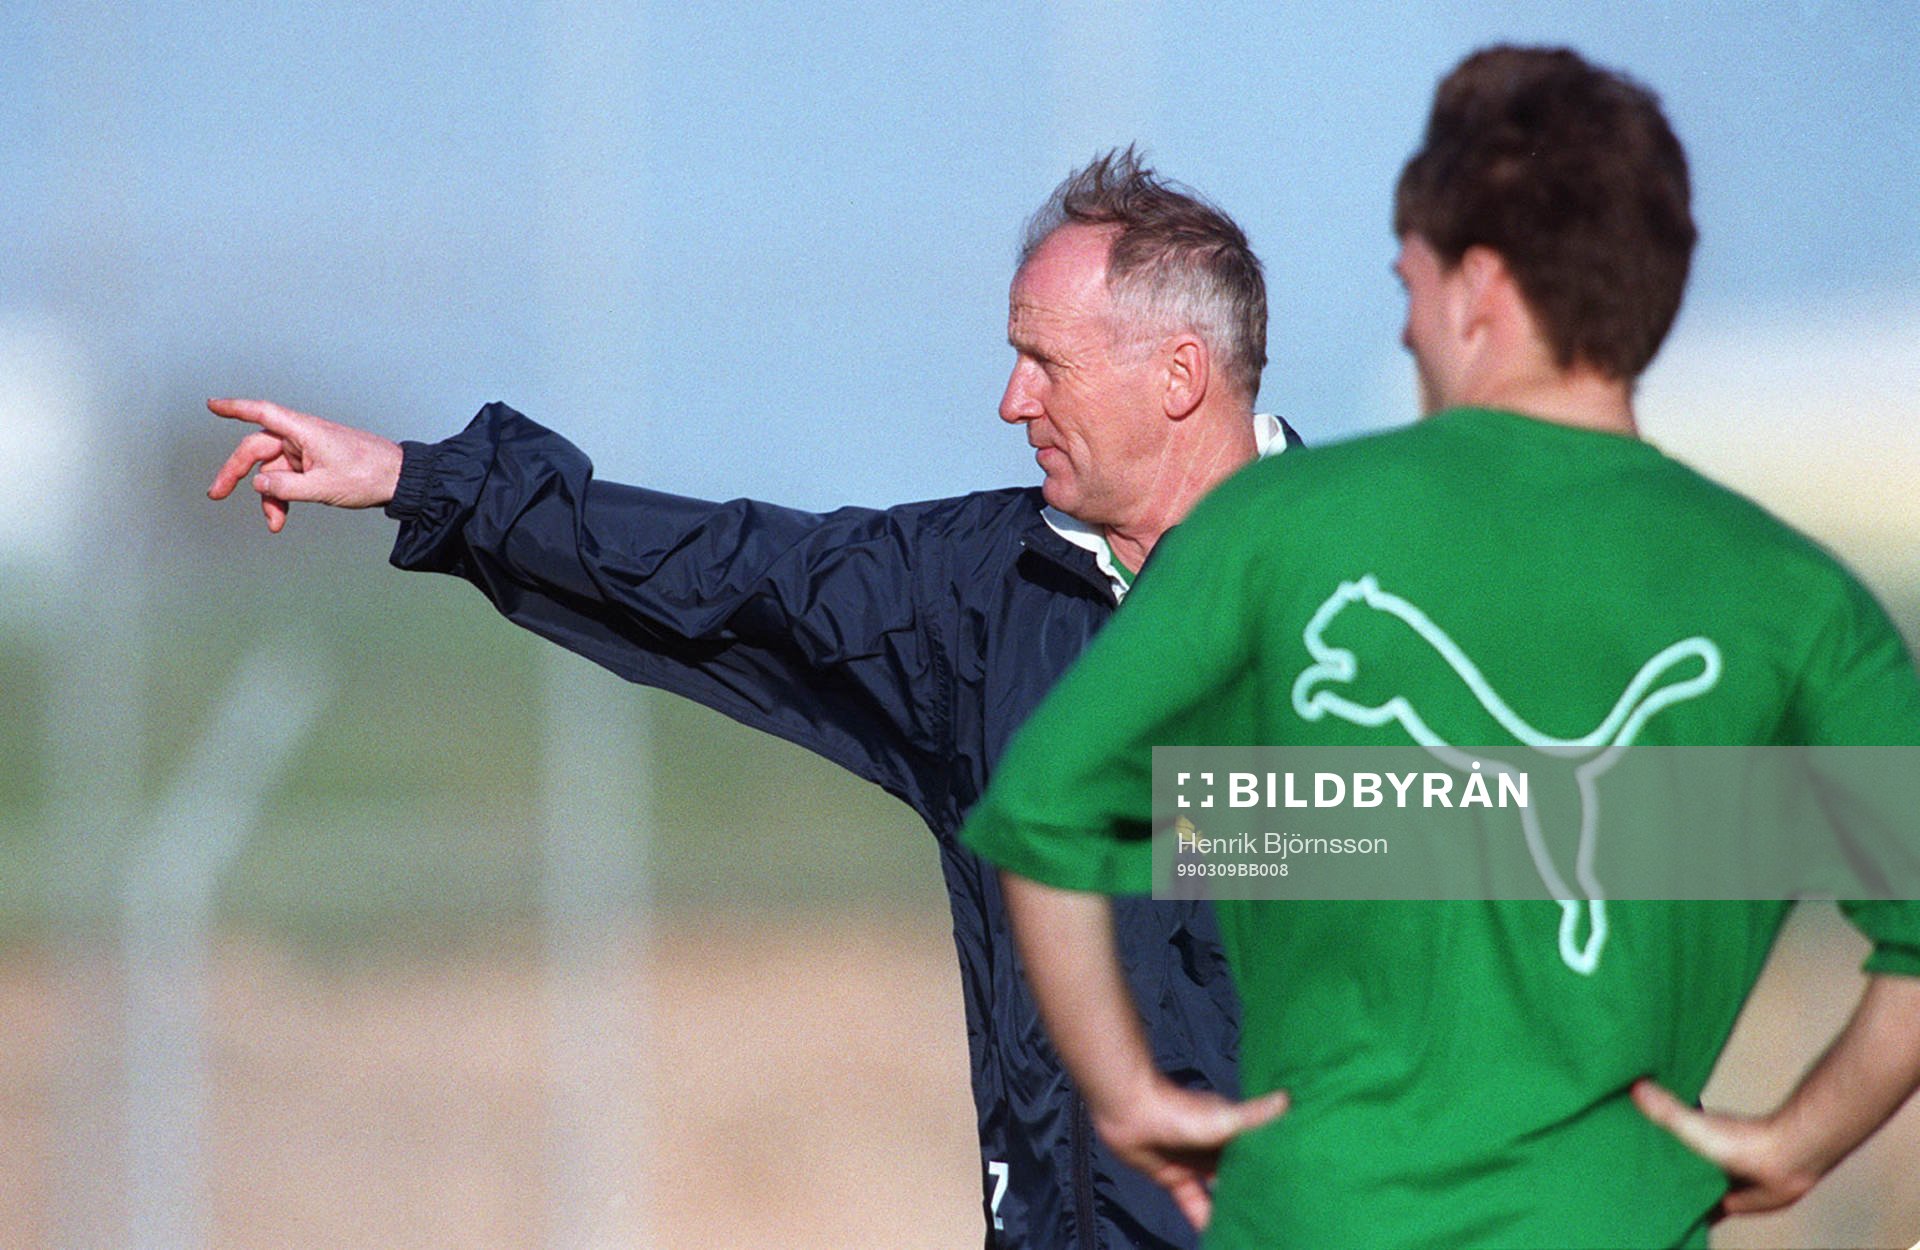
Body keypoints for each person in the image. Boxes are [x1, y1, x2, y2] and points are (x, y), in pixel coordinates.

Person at [207, 149, 1300, 1249]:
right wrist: (420, 478)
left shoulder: (1380, 596)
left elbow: (1457, 876)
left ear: (1178, 374)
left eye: (1043, 360)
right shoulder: (982, 593)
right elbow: (721, 573)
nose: (1011, 399)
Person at [961, 46, 1920, 1249]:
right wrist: (1801, 1138)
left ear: (1479, 288)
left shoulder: (1274, 523)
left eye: (1409, 282)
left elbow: (1045, 806)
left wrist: (1130, 1098)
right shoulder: (1800, 601)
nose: (1406, 327)